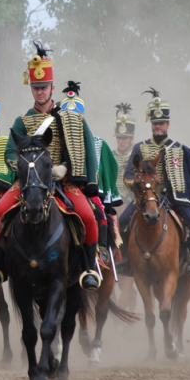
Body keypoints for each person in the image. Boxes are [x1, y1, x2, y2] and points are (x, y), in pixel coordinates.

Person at [0, 42, 102, 290]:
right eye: (36, 88)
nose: (39, 92)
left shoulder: (68, 118)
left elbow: (81, 149)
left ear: (52, 88)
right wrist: (22, 168)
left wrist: (66, 169)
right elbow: (9, 153)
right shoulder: (22, 121)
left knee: (89, 218)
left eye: (44, 87)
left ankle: (89, 269)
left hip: (63, 182)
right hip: (28, 181)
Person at [120, 88, 190, 277]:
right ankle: (127, 260)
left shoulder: (181, 150)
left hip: (175, 198)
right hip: (146, 198)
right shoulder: (140, 148)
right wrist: (134, 186)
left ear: (168, 124)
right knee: (122, 220)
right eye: (155, 123)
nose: (158, 126)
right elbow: (128, 175)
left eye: (161, 123)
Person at [58, 81, 123, 263]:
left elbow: (110, 169)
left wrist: (105, 196)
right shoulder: (56, 139)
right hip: (60, 187)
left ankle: (101, 248)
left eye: (75, 115)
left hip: (86, 190)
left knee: (100, 212)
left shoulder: (97, 143)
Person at [112, 103, 137, 208]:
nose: (121, 141)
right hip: (112, 198)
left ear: (131, 139)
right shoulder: (111, 156)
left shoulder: (136, 157)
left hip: (132, 199)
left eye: (124, 138)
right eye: (119, 138)